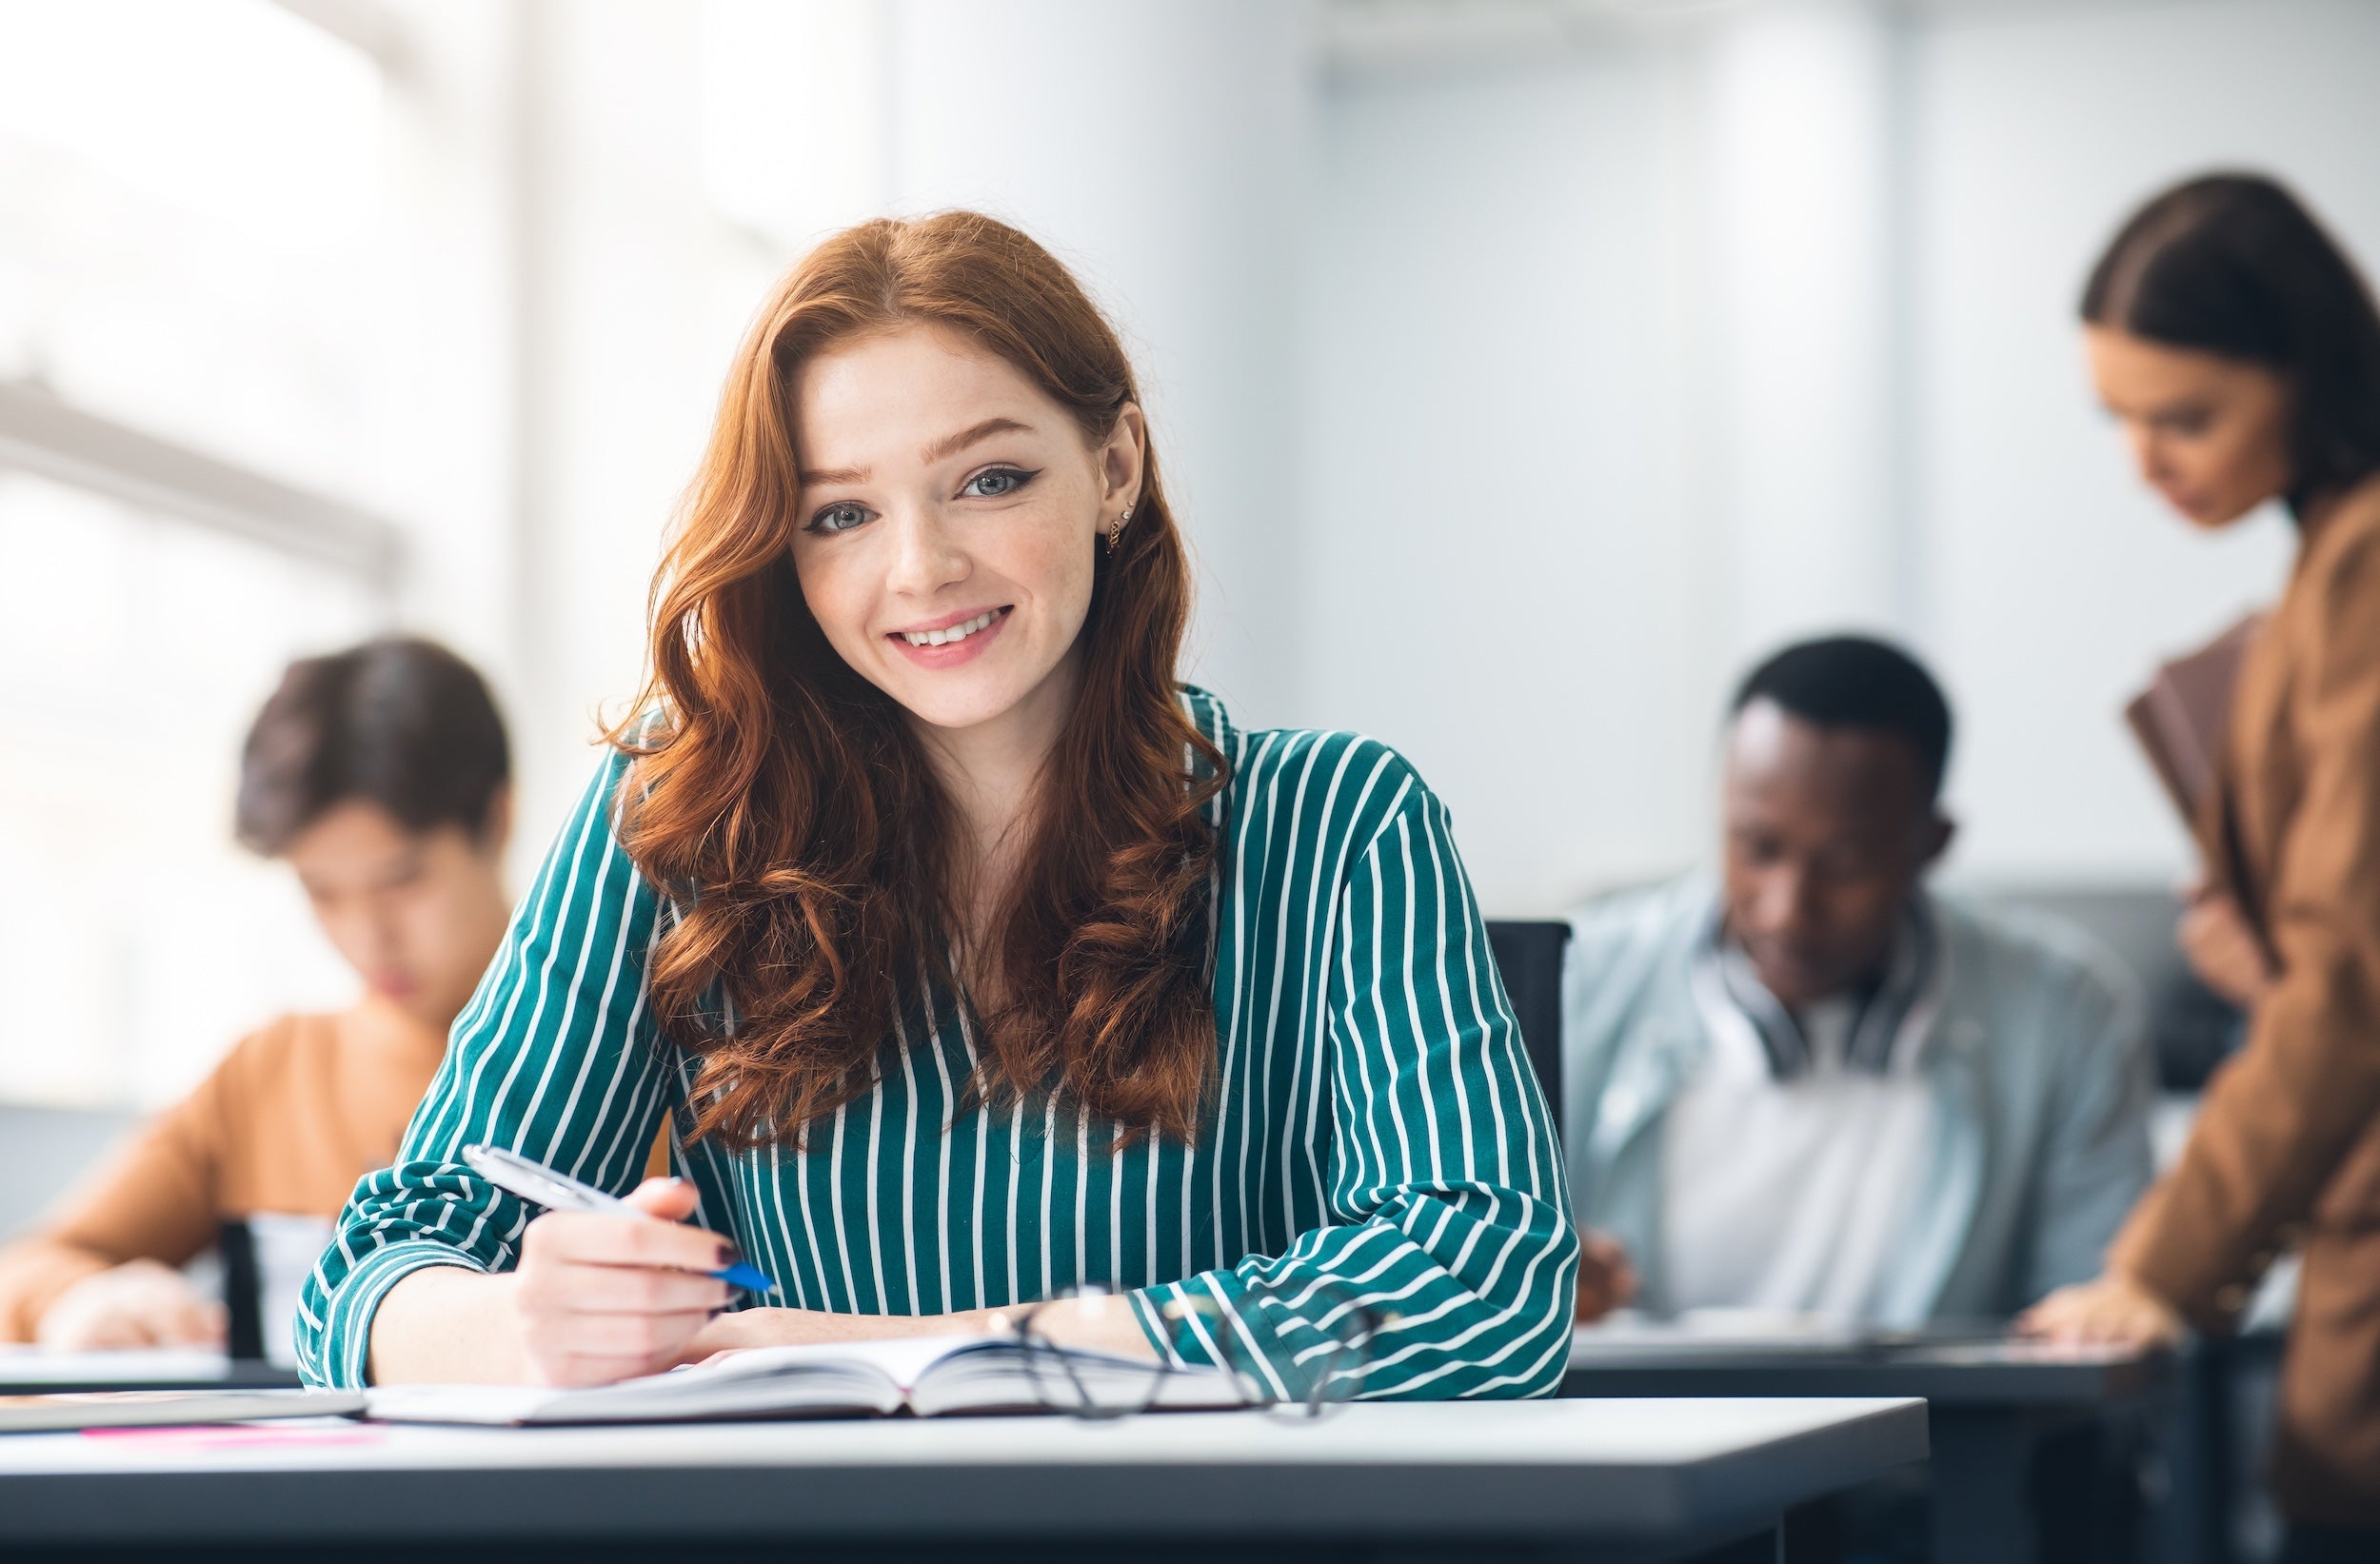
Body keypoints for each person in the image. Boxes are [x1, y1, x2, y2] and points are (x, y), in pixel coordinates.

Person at [294, 211, 1577, 1398]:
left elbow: (1490, 1284)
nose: (920, 568)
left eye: (989, 480)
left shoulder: (1339, 822)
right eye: (841, 513)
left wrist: (936, 1351)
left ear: (1115, 466)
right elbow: (371, 1272)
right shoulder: (678, 818)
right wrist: (522, 1323)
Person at [2022, 173, 2380, 1553]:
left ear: (2305, 367)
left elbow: (2351, 981)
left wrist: (2156, 1267)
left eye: (2186, 417)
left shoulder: (2359, 573)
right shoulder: (2323, 568)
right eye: (2120, 418)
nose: (2147, 463)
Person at [1563, 637, 2155, 1325]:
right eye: (1757, 847)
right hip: (1625, 1432)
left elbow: (2095, 1340)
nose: (1787, 909)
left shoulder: (2066, 1015)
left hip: (1939, 1434)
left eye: (1844, 864)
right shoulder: (1574, 985)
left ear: (1929, 844)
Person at [0, 637, 515, 1351]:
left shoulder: (647, 1055)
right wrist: (76, 1300)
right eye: (322, 890)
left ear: (498, 818)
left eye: (402, 880)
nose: (369, 936)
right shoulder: (267, 1073)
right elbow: (30, 1265)